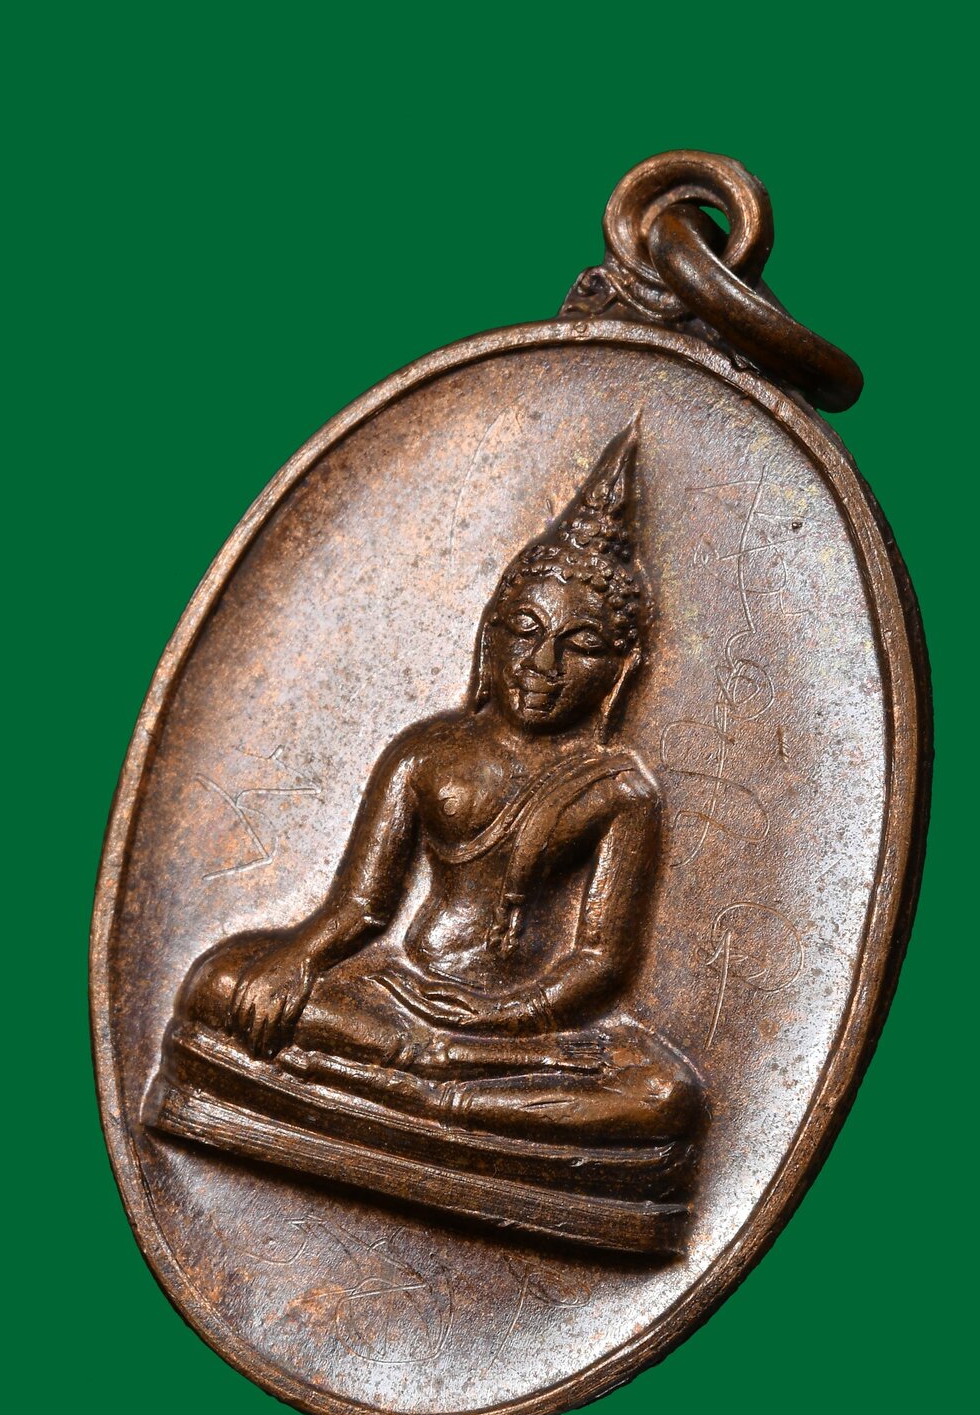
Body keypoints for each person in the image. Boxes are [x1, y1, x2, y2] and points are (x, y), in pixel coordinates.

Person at [174, 421, 700, 1147]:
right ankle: (436, 1077)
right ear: (489, 635)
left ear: (621, 669)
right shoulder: (428, 752)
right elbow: (360, 907)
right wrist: (297, 960)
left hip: (521, 1025)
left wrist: (510, 1015)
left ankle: (433, 1090)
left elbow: (601, 959)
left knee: (665, 1096)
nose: (541, 664)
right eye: (524, 630)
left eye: (579, 645)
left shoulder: (619, 793)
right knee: (218, 980)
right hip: (397, 994)